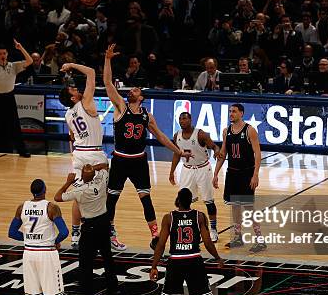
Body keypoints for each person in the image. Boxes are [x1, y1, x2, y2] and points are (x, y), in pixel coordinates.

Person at [103, 44, 189, 251]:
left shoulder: (146, 116)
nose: (131, 90)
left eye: (135, 90)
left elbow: (161, 137)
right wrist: (107, 60)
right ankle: (110, 234)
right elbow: (107, 82)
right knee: (112, 199)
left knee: (145, 198)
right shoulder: (120, 108)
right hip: (121, 159)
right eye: (132, 89)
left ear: (140, 97)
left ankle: (155, 234)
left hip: (139, 160)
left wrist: (179, 151)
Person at [150, 188, 229, 295]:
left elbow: (161, 244)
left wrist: (154, 266)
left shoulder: (169, 218)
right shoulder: (199, 216)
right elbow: (208, 242)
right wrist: (218, 258)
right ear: (191, 201)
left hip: (176, 261)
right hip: (194, 260)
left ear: (178, 200)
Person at [8, 179, 71, 295]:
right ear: (45, 190)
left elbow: (12, 232)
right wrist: (54, 241)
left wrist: (28, 239)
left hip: (29, 254)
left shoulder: (22, 207)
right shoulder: (51, 207)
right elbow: (64, 232)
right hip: (47, 254)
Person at [54, 163, 118, 295]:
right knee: (107, 256)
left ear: (81, 177)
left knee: (85, 265)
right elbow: (106, 165)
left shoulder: (79, 191)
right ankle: (113, 288)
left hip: (90, 228)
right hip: (104, 223)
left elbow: (57, 197)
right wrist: (94, 169)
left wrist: (68, 182)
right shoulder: (102, 180)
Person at [58, 62, 106, 251]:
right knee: (101, 195)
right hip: (94, 154)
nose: (75, 88)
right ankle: (104, 232)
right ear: (72, 97)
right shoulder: (85, 102)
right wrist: (71, 64)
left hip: (79, 155)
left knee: (79, 197)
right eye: (72, 88)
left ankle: (76, 233)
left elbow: (71, 137)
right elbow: (92, 72)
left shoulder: (68, 115)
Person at [212, 103, 264, 252]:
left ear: (241, 113)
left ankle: (260, 240)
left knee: (249, 207)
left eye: (234, 111)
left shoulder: (250, 131)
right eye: (230, 111)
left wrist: (255, 175)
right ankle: (237, 237)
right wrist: (215, 174)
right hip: (232, 173)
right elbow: (223, 154)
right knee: (235, 206)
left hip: (246, 173)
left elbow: (258, 154)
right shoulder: (226, 131)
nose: (231, 114)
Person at [169, 112, 222, 242]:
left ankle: (213, 230)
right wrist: (172, 172)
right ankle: (190, 228)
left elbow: (214, 146)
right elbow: (176, 154)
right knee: (184, 202)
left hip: (203, 169)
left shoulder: (200, 134)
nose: (182, 121)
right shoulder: (177, 136)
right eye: (180, 119)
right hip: (187, 170)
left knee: (209, 201)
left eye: (185, 118)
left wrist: (216, 151)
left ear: (190, 120)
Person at [0, 39, 32, 161]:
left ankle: (22, 150)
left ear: (7, 54)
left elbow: (30, 61)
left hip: (9, 98)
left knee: (15, 125)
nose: (2, 55)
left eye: (4, 53)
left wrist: (20, 48)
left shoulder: (13, 66)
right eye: (0, 53)